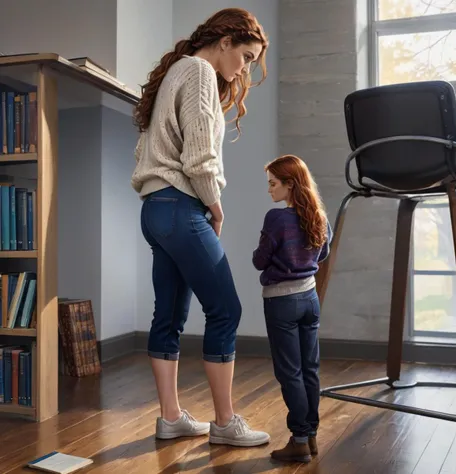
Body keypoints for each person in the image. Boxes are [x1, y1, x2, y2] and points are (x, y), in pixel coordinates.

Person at [131, 8, 271, 447]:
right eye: (246, 56)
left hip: (155, 209)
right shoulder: (199, 72)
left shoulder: (176, 70)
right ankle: (226, 423)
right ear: (225, 40)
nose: (245, 67)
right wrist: (216, 204)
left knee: (169, 315)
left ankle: (171, 418)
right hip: (182, 207)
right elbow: (198, 155)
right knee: (226, 309)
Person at [252, 154, 333, 463]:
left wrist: (272, 255)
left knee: (290, 372)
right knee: (310, 369)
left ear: (290, 185)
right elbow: (322, 253)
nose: (269, 190)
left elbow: (260, 260)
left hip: (281, 301)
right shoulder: (318, 216)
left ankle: (299, 439)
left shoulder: (277, 219)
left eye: (273, 184)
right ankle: (310, 435)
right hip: (309, 300)